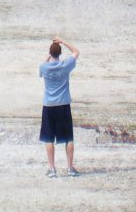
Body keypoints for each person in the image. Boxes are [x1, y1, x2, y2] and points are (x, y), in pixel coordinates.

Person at [39, 36, 80, 178]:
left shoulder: (44, 67)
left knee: (49, 138)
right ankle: (69, 168)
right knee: (68, 138)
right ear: (60, 53)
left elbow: (42, 66)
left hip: (49, 105)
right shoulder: (65, 65)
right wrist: (62, 41)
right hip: (63, 104)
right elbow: (76, 52)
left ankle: (52, 169)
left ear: (51, 53)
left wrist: (49, 55)